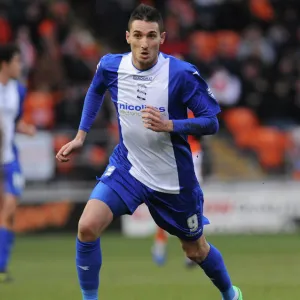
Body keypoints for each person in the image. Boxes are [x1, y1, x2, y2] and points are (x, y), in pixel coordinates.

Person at [56, 4, 243, 300]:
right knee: (87, 226)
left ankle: (230, 294)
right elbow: (95, 89)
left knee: (195, 249)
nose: (145, 44)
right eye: (139, 35)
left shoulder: (180, 74)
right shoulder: (111, 66)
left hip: (173, 179)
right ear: (128, 36)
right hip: (129, 168)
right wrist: (81, 135)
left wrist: (170, 124)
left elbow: (211, 122)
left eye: (152, 36)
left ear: (162, 38)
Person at [0, 44, 36, 282]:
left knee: (10, 210)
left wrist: (26, 128)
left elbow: (14, 121)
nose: (20, 66)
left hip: (9, 157)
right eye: (16, 61)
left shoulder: (19, 91)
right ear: (4, 64)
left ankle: (2, 266)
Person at [152, 110, 203, 268]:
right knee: (166, 211)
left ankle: (190, 253)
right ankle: (159, 246)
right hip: (170, 164)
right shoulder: (169, 105)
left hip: (188, 167)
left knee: (191, 214)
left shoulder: (194, 144)